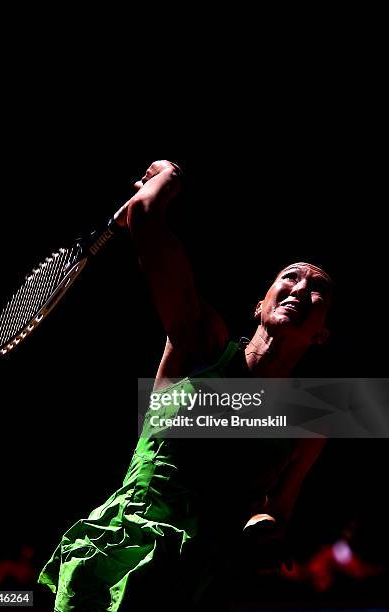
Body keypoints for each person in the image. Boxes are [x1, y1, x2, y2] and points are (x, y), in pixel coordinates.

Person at [38, 160, 333, 611]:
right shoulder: (200, 343)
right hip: (118, 560)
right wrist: (166, 178)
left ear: (321, 334)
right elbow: (147, 218)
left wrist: (265, 526)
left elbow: (278, 510)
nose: (299, 289)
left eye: (318, 290)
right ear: (259, 305)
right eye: (290, 276)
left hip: (199, 584)